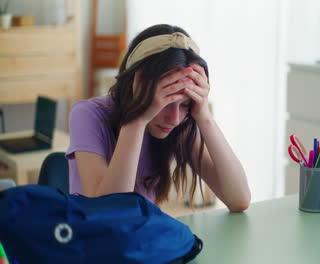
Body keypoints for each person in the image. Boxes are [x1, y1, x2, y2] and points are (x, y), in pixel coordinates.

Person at [66, 24, 251, 212]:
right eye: (165, 103)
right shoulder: (87, 114)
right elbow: (109, 213)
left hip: (141, 237)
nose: (174, 119)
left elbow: (239, 199)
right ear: (136, 87)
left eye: (185, 104)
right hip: (91, 238)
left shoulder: (181, 124)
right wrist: (137, 118)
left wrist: (204, 117)